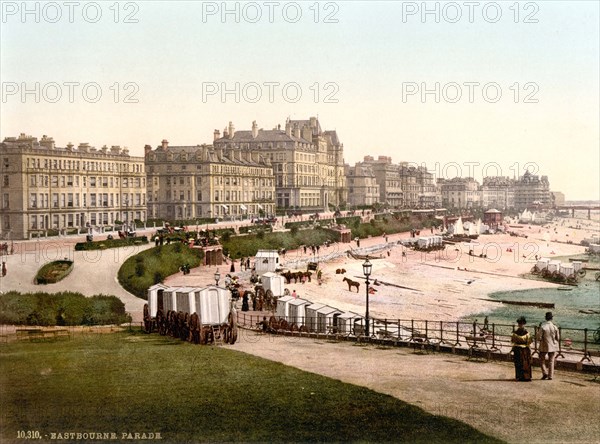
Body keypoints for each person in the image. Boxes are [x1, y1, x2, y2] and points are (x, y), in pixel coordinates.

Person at [538, 312, 560, 380]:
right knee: (551, 361)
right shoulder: (555, 327)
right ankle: (550, 376)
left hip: (544, 345)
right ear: (552, 318)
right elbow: (558, 338)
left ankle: (545, 373)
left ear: (545, 318)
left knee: (542, 359)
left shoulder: (543, 326)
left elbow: (539, 337)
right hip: (553, 346)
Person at [511, 316, 533, 382]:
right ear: (524, 324)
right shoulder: (527, 333)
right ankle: (526, 377)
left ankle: (519, 376)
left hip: (517, 349)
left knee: (518, 363)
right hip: (525, 349)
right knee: (526, 363)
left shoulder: (515, 333)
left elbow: (512, 341)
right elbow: (529, 342)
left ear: (518, 324)